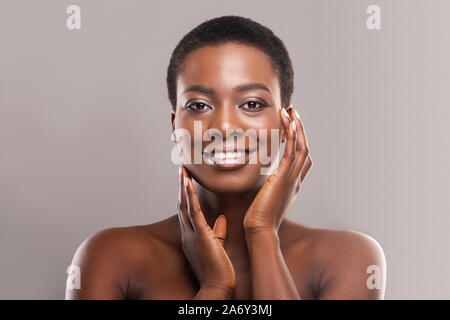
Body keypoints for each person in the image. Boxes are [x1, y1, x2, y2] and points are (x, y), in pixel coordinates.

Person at [65, 15, 386, 300]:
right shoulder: (111, 258)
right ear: (174, 124)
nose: (225, 127)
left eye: (252, 104)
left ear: (288, 125)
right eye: (200, 105)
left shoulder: (348, 258)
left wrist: (261, 235)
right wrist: (216, 287)